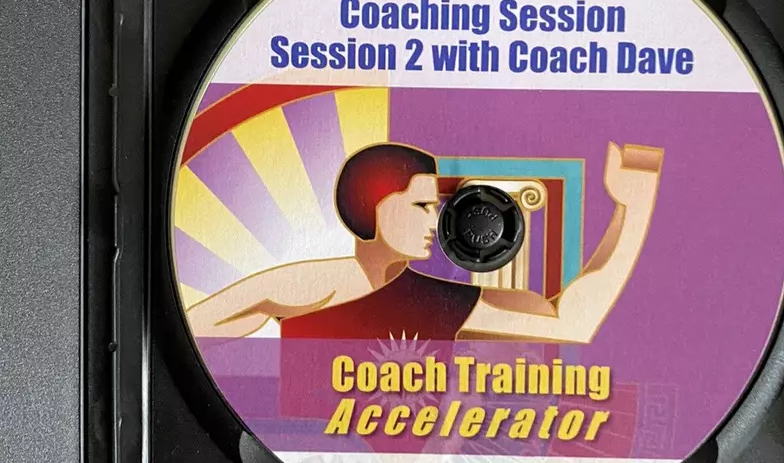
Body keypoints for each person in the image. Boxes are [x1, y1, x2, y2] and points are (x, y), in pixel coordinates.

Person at [188, 141, 663, 343]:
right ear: (373, 204)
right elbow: (189, 327)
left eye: (435, 207)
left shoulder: (432, 300)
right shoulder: (315, 284)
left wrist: (633, 210)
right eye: (420, 205)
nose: (435, 221)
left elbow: (571, 323)